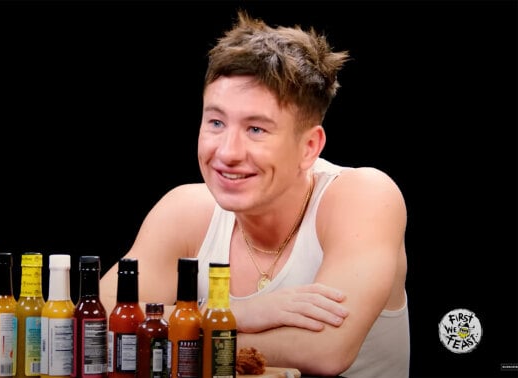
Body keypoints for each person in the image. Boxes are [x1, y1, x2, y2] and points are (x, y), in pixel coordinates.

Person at [100, 10, 409, 378]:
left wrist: (180, 329)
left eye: (256, 129)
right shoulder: (185, 209)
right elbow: (98, 322)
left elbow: (325, 352)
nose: (227, 152)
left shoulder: (363, 196)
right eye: (216, 122)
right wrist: (241, 314)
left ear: (310, 146)